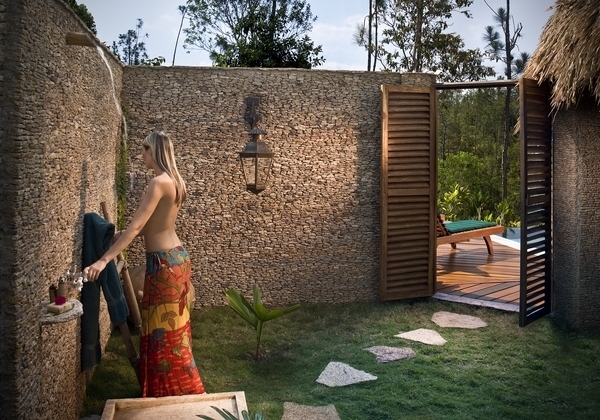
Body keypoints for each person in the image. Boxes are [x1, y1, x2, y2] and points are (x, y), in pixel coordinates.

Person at [84, 130, 206, 397]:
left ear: (155, 151)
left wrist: (104, 260)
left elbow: (138, 224)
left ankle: (173, 394)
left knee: (164, 333)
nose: (141, 155)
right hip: (176, 259)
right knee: (174, 331)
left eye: (145, 149)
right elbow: (154, 224)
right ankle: (169, 390)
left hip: (163, 264)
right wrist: (123, 234)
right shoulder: (176, 181)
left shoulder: (157, 183)